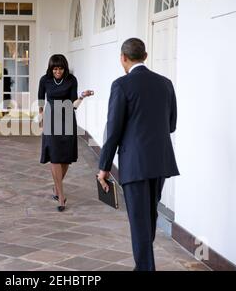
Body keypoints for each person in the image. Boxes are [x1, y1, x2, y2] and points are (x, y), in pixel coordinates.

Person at [98, 38, 179, 271]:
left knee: (139, 220)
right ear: (144, 56)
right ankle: (143, 265)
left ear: (123, 58)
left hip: (135, 163)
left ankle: (145, 268)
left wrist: (103, 167)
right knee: (149, 216)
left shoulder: (121, 85)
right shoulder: (166, 83)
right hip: (160, 161)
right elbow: (171, 124)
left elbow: (113, 130)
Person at [38, 54, 94, 212]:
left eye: (60, 68)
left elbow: (73, 103)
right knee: (55, 156)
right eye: (55, 68)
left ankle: (56, 187)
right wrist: (41, 118)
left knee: (66, 158)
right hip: (50, 118)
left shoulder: (71, 80)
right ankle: (61, 197)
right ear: (51, 68)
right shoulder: (45, 80)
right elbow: (41, 101)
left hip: (68, 118)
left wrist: (82, 97)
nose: (58, 71)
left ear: (65, 68)